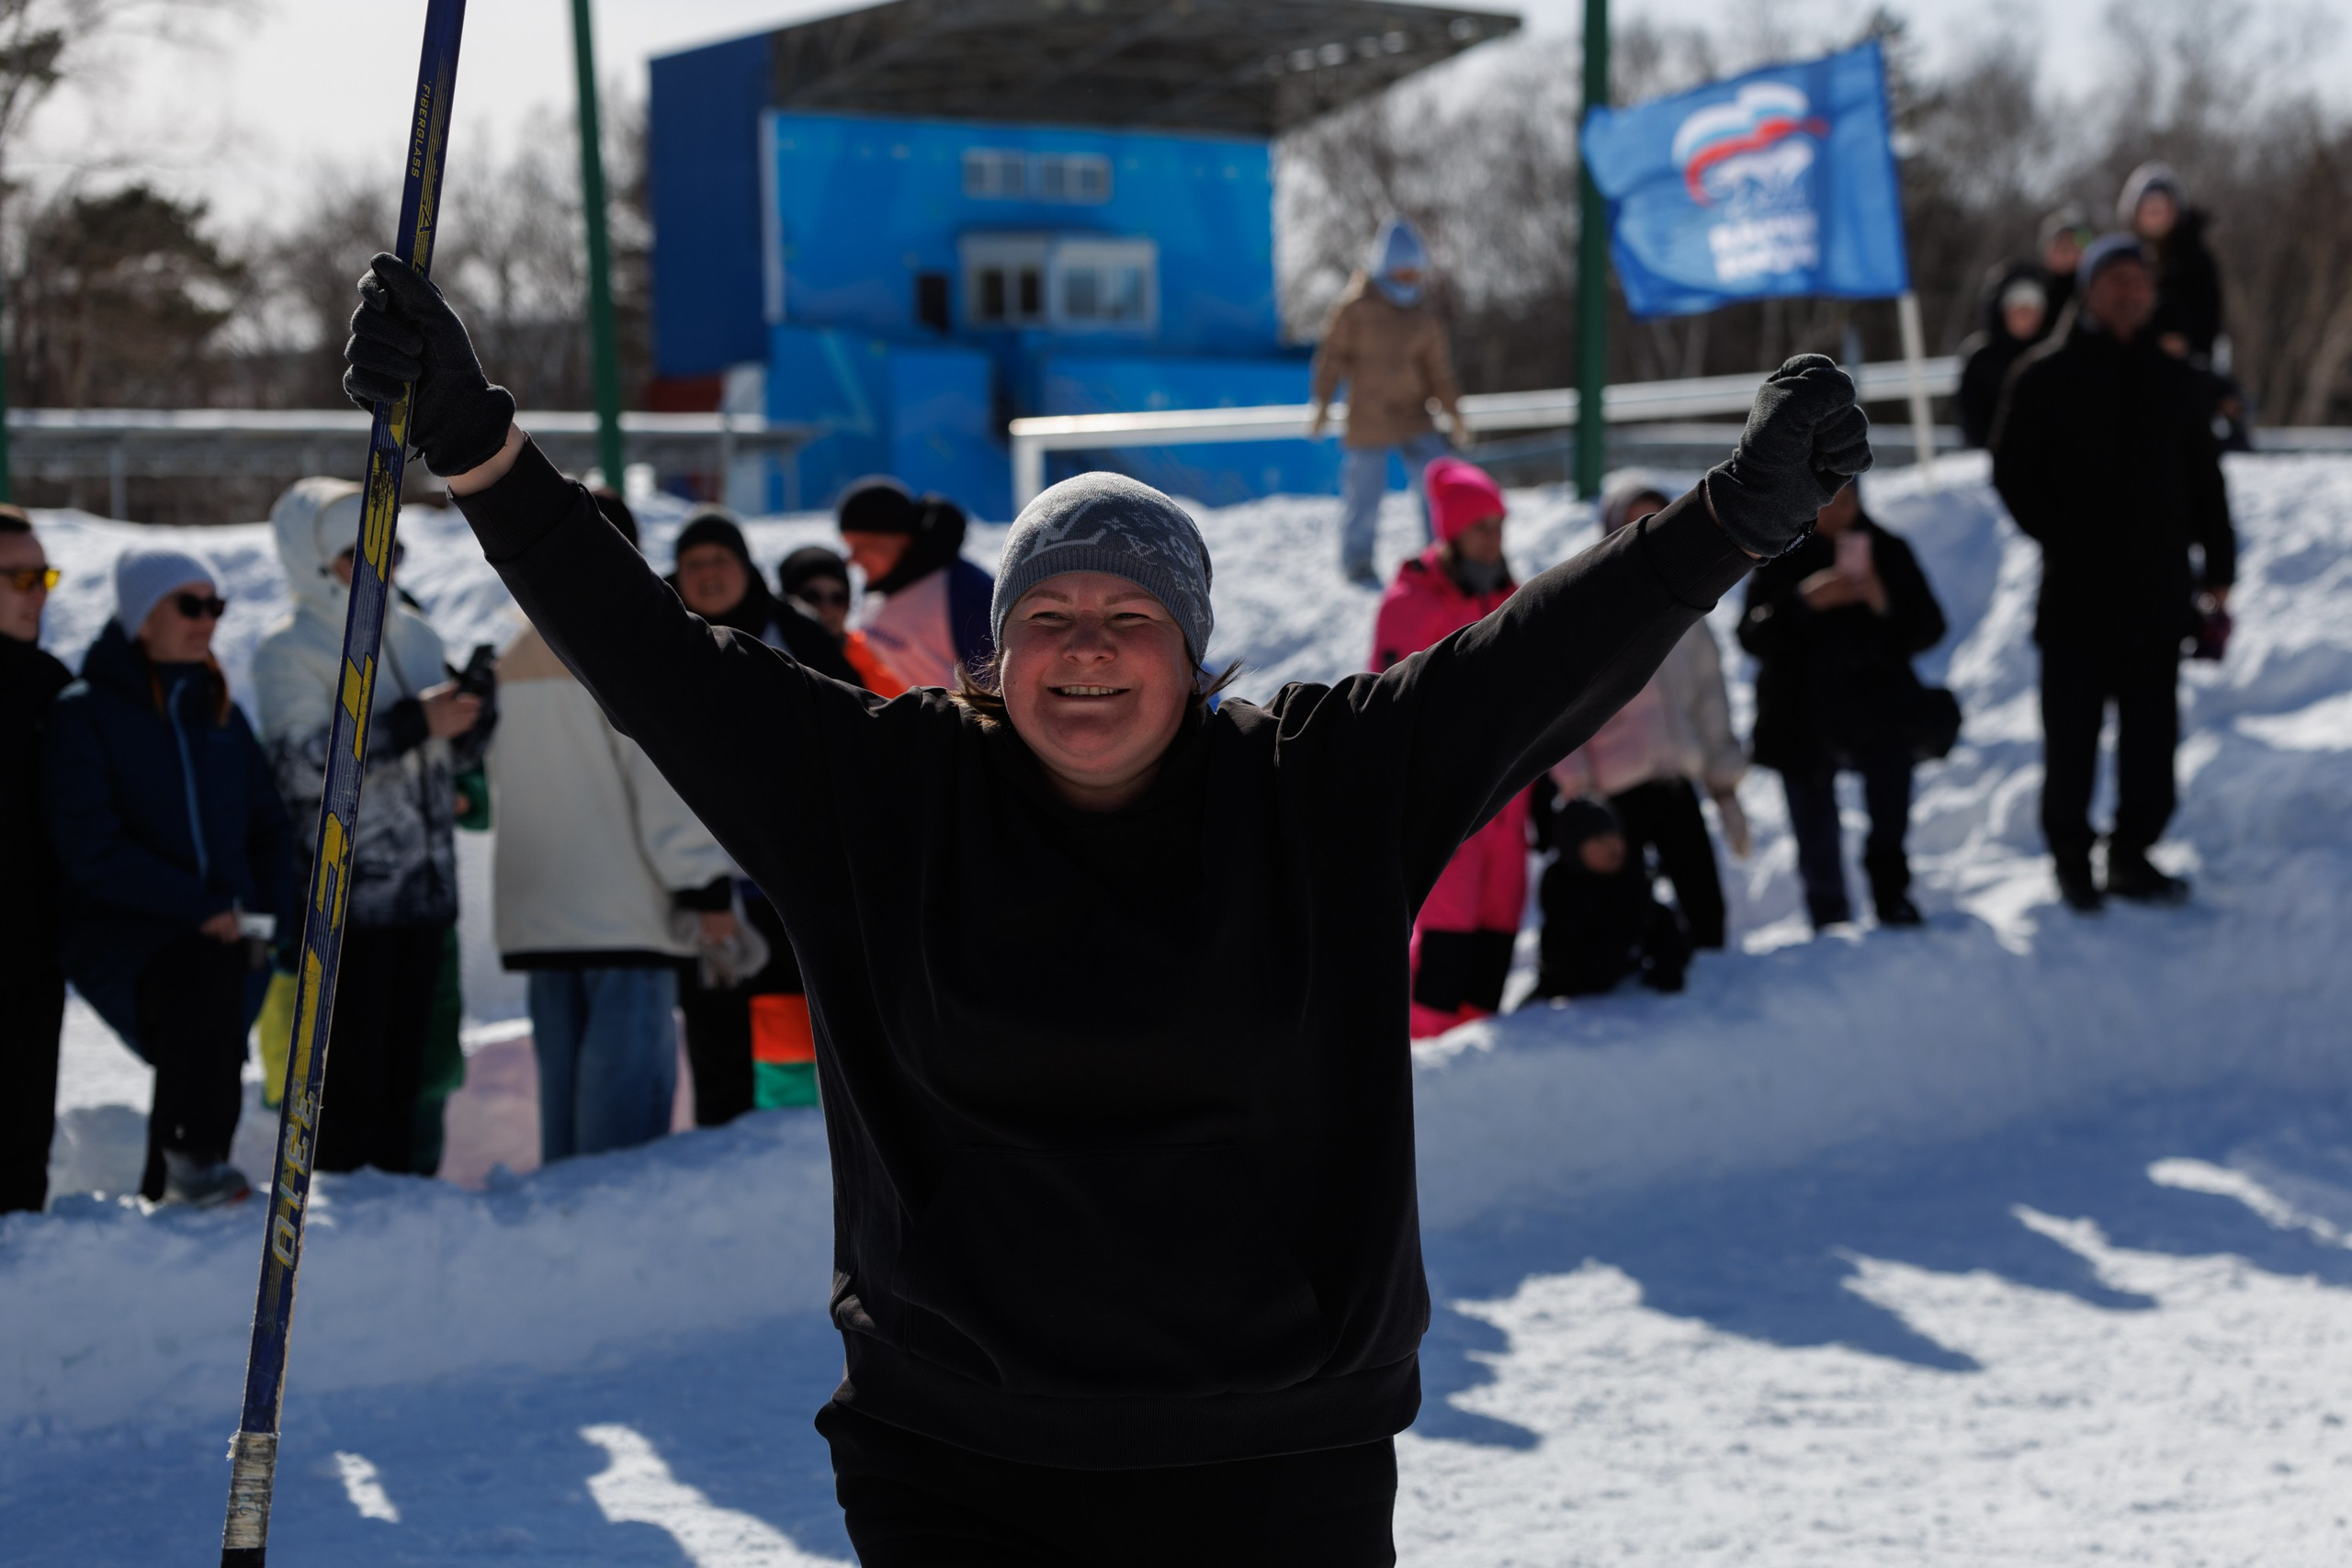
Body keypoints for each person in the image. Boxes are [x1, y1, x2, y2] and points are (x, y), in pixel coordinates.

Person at [345, 248, 1866, 1562]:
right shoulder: (883, 796)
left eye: (1132, 617)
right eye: (1050, 616)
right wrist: (480, 448)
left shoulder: (1316, 788)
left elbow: (1524, 664)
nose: (1087, 647)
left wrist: (1731, 517)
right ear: (996, 652)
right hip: (961, 1465)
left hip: (1278, 1464)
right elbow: (657, 656)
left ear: (1193, 651)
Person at [43, 547, 296, 1204]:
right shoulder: (87, 711)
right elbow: (89, 843)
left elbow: (268, 824)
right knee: (201, 982)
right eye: (189, 604)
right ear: (141, 616)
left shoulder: (220, 713)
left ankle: (180, 1188)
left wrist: (274, 907)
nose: (206, 620)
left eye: (216, 605)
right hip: (128, 930)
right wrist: (198, 906)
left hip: (226, 927)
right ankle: (193, 1157)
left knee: (212, 1018)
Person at [1991, 233, 2236, 911]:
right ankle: (2072, 860)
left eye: (2140, 280)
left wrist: (2220, 566)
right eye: (2115, 279)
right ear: (2091, 288)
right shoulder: (2044, 375)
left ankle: (2133, 854)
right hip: (2075, 593)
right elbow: (2011, 472)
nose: (2130, 291)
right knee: (2071, 737)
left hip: (2160, 593)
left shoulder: (2176, 381)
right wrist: (2064, 534)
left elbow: (2205, 481)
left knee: (2152, 738)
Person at [491, 497, 739, 1162]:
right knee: (620, 1145)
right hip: (626, 916)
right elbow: (663, 781)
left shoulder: (516, 645)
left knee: (566, 1131)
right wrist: (705, 883)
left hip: (543, 918)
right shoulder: (627, 632)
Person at [251, 478, 483, 1174]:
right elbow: (299, 769)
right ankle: (346, 1243)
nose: (381, 564)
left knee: (411, 1088)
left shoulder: (415, 632)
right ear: (316, 560)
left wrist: (471, 723)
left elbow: (437, 757)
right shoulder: (288, 650)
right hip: (344, 910)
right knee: (348, 1096)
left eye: (391, 547)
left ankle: (404, 1236)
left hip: (425, 900)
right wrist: (417, 722)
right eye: (360, 550)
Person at [1549, 474, 1747, 951]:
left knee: (1704, 908)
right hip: (1613, 794)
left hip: (1675, 781)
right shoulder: (1586, 609)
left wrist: (1723, 782)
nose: (1647, 530)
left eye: (1657, 519)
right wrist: (1580, 791)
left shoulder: (1689, 607)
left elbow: (1708, 696)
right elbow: (1558, 713)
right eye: (1635, 520)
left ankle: (1715, 1003)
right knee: (1623, 914)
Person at [1738, 480, 1948, 931]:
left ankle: (1891, 895)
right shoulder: (1781, 550)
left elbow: (1929, 628)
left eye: (1847, 500)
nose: (1837, 512)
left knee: (1890, 801)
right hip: (1800, 710)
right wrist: (1803, 602)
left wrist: (1882, 602)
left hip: (1878, 706)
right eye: (1826, 501)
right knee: (1813, 821)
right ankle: (1828, 915)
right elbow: (1752, 637)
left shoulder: (1887, 549)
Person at [1370, 457, 1527, 1037]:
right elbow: (1383, 707)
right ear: (1454, 532)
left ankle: (1476, 1092)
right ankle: (1423, 1081)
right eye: (1482, 526)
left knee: (1492, 953)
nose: (1494, 539)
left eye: (1499, 526)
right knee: (1441, 959)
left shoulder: (1516, 598)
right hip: (1446, 810)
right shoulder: (1410, 602)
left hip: (1509, 810)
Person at [1309, 216, 1469, 586]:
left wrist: (1455, 413)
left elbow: (1437, 371)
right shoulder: (1355, 308)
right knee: (1364, 495)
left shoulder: (1422, 317)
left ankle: (1443, 554)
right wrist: (1321, 403)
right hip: (1368, 414)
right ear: (1387, 269)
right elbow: (1331, 357)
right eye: (1404, 274)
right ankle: (1358, 564)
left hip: (1414, 413)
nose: (1411, 282)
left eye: (1416, 275)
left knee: (1438, 482)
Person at [1, 508, 71, 1214]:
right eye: (19, 577)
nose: (37, 593)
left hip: (32, 955)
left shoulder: (50, 681)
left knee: (22, 1162)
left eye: (44, 575)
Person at [1522, 789, 1690, 999]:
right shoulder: (1562, 886)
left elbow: (1663, 925)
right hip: (1575, 990)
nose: (1613, 846)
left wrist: (1668, 964)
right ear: (1574, 848)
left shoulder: (1630, 875)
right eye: (1600, 838)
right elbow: (1567, 957)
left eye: (1615, 835)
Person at [836, 477, 995, 690]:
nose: (852, 559)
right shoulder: (883, 584)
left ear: (902, 539)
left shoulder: (964, 591)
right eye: (849, 546)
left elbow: (998, 686)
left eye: (864, 545)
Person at [2120, 163, 2223, 365]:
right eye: (2149, 209)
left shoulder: (2196, 260)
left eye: (2162, 208)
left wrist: (2188, 343)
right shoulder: (2121, 260)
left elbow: (2209, 316)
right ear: (2134, 213)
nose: (2156, 215)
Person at [782, 544, 907, 697]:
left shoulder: (879, 656)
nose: (826, 608)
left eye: (838, 598)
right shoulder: (771, 656)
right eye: (812, 596)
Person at [1955, 264, 2049, 449]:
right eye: (2018, 308)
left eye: (2031, 308)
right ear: (2002, 310)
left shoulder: (2052, 355)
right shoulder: (1980, 358)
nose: (2024, 315)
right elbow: (1970, 418)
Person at [2038, 203, 2092, 327]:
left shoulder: (2095, 293)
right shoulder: (2035, 294)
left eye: (2073, 245)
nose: (2067, 252)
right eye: (2060, 245)